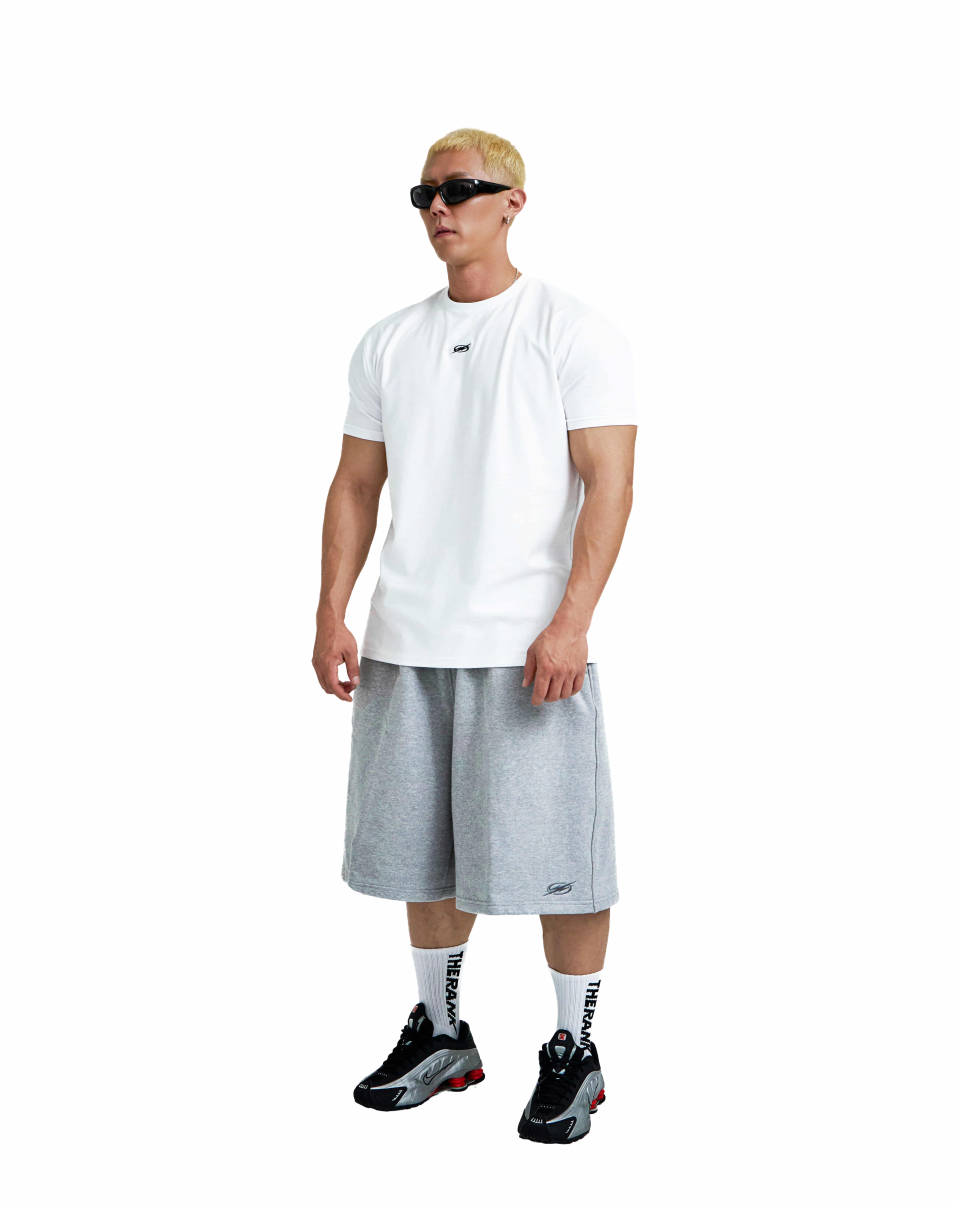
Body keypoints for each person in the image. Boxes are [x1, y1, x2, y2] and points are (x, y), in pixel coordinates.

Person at [312, 128, 637, 1144]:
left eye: (460, 188)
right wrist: (331, 607)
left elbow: (609, 483)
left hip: (526, 651)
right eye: (425, 194)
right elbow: (356, 483)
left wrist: (572, 621)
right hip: (407, 643)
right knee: (424, 858)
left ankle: (573, 1049)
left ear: (513, 202)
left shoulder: (570, 330)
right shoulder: (389, 341)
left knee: (559, 863)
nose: (440, 208)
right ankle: (444, 1033)